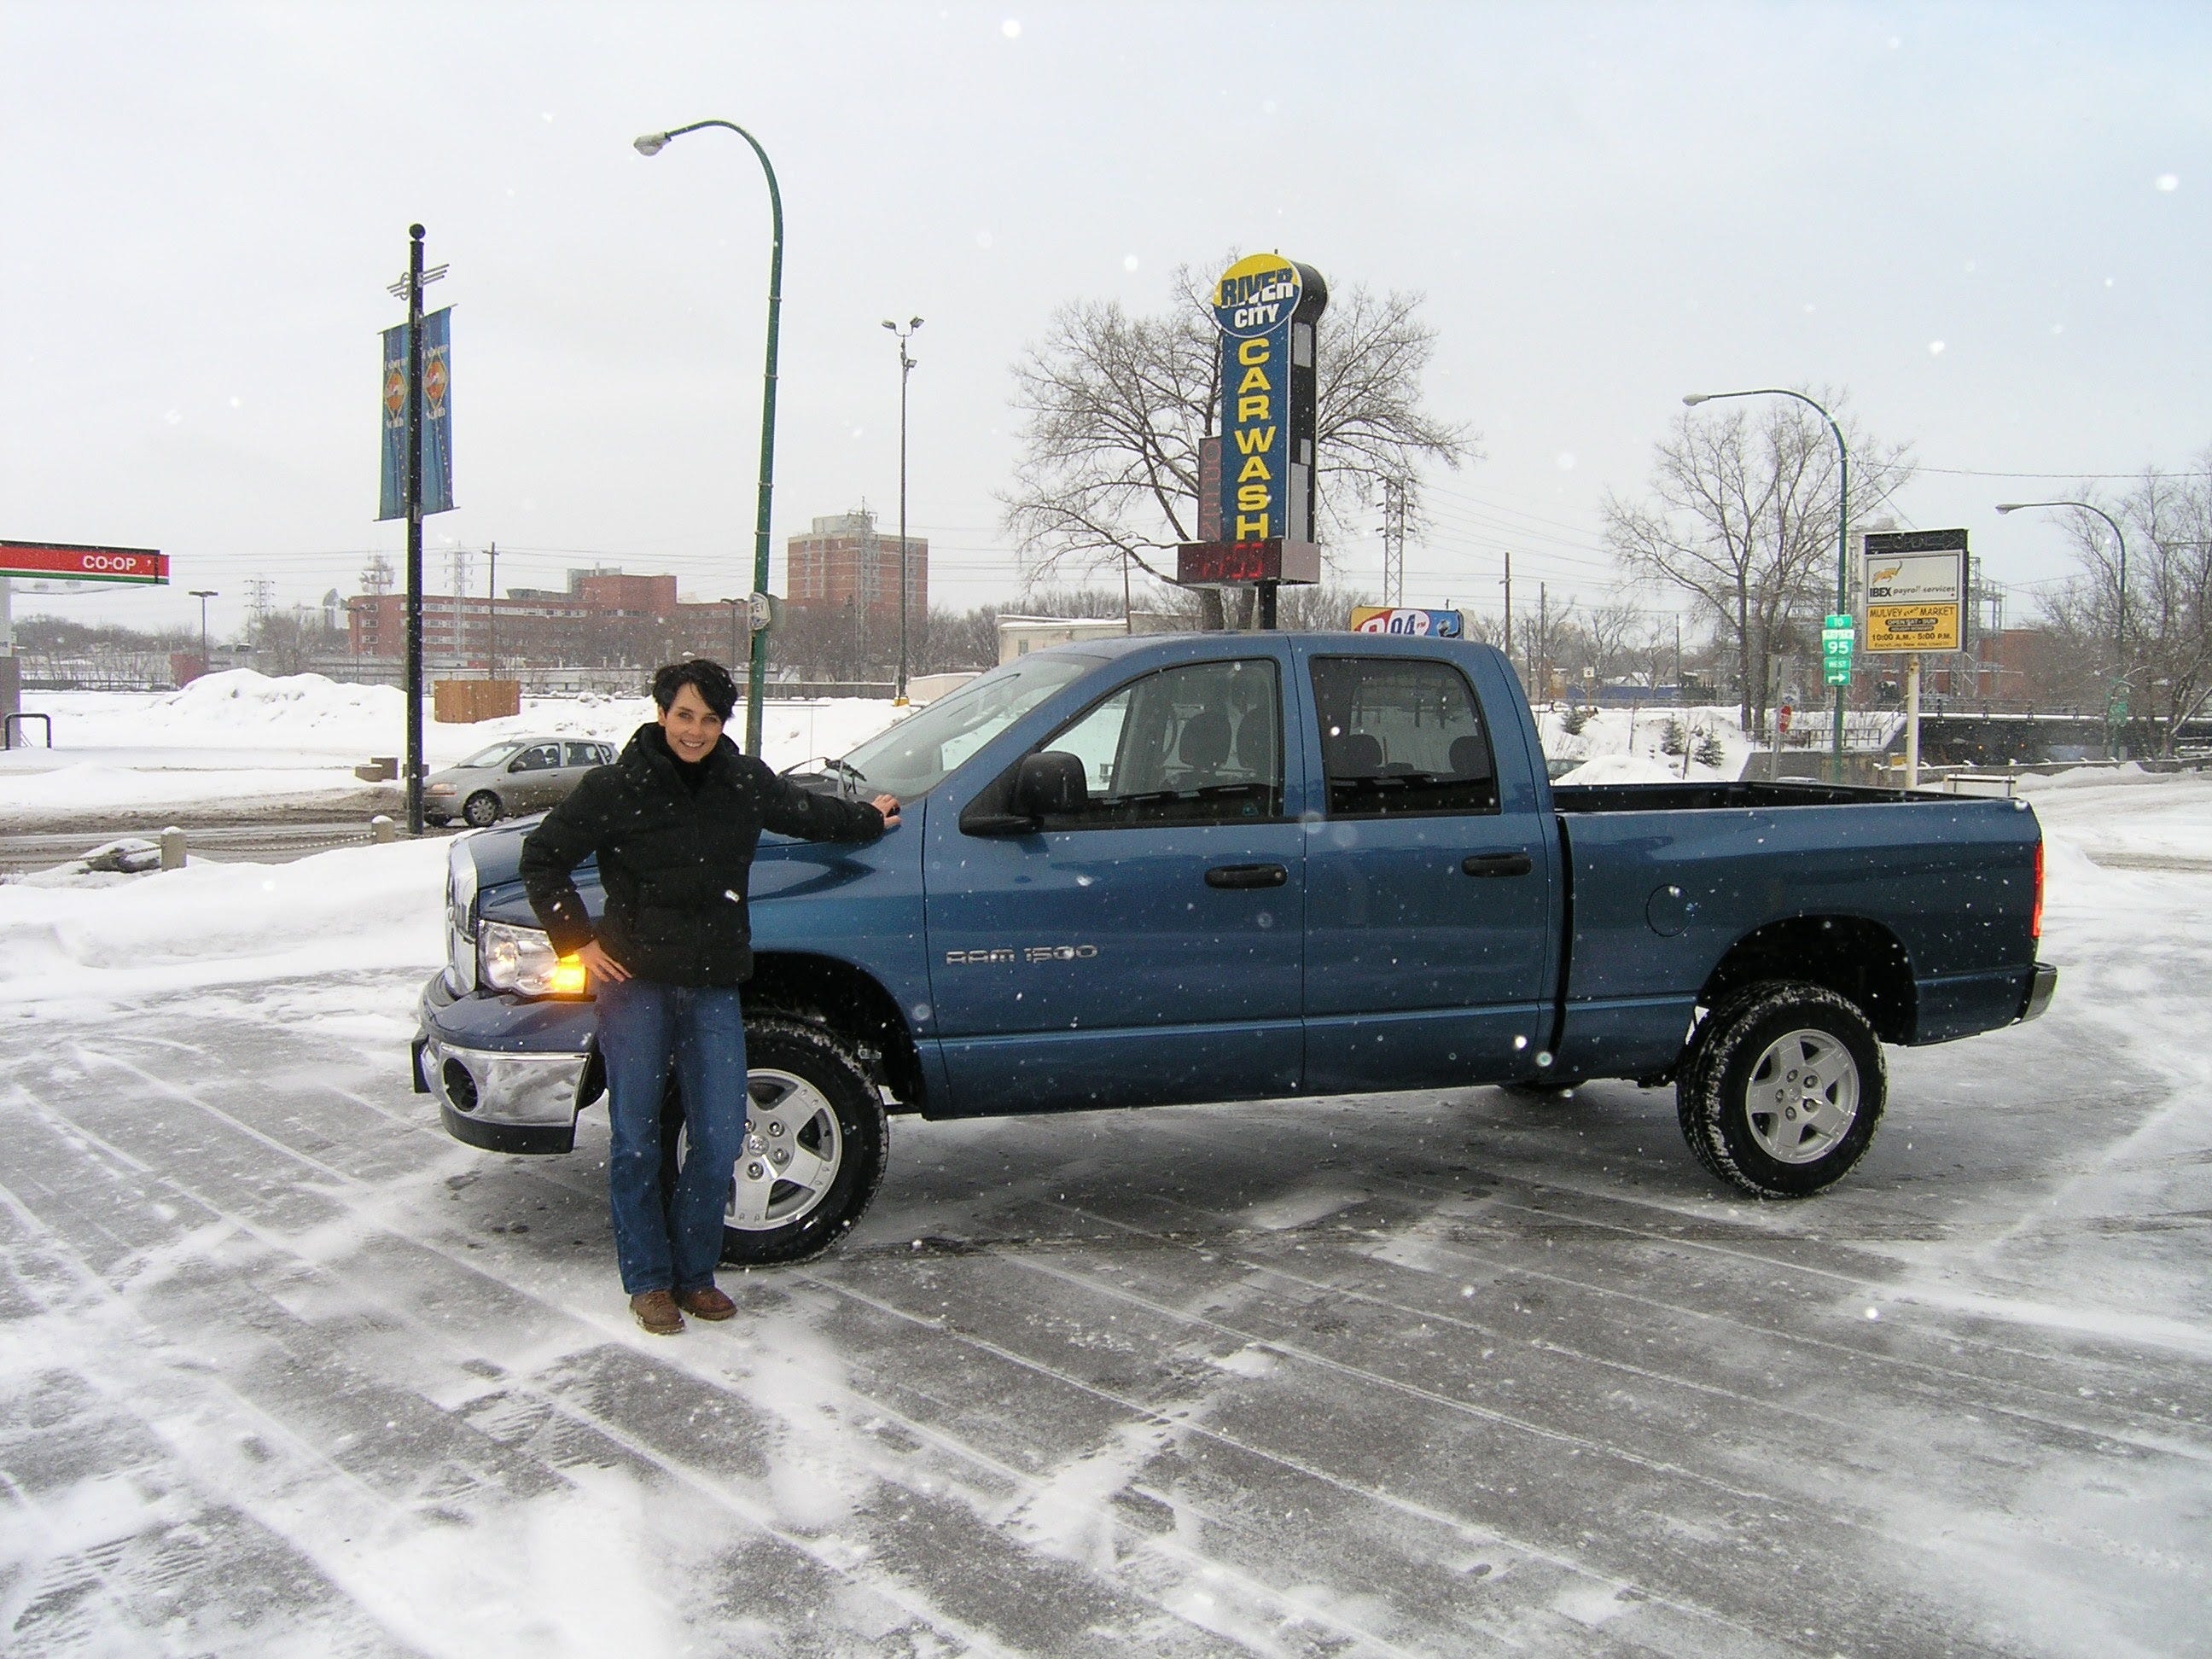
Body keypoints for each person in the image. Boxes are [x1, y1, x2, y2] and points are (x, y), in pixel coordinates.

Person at [519, 659, 899, 1336]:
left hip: (712, 985)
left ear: (724, 723)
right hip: (634, 984)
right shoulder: (616, 787)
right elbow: (542, 857)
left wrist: (869, 819)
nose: (695, 731)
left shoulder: (742, 782)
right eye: (684, 715)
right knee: (636, 1140)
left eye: (710, 719)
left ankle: (695, 1274)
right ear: (662, 713)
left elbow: (810, 814)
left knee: (720, 1136)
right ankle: (648, 1280)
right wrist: (576, 942)